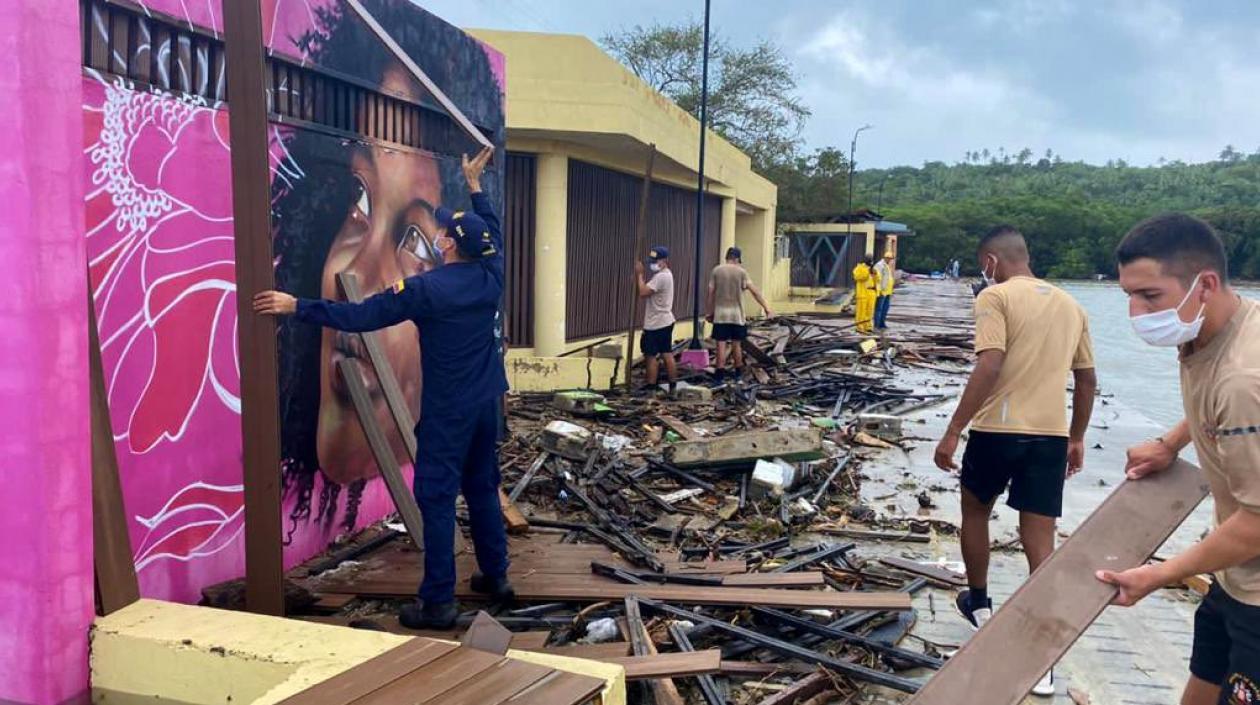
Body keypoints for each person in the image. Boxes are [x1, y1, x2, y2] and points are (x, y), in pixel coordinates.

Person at [254, 147, 513, 630]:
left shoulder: (428, 291)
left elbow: (361, 315)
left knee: (436, 500)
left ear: (450, 247)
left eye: (438, 232)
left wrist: (297, 306)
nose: (437, 235)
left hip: (449, 411)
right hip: (484, 406)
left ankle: (437, 603)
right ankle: (496, 577)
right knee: (481, 488)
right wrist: (475, 187)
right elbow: (491, 232)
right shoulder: (490, 275)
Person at [1096, 214, 1260, 705]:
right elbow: (1210, 404)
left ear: (1204, 284)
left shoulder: (1245, 379)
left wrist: (1158, 574)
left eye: (1150, 297)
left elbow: (1256, 523)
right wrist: (1171, 443)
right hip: (1236, 574)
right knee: (1202, 685)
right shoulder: (1213, 329)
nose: (1136, 312)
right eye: (1128, 295)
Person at [933, 225, 1096, 698]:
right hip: (1049, 436)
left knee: (975, 511)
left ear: (990, 261)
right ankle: (1039, 653)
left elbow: (989, 364)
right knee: (1039, 536)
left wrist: (951, 430)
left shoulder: (994, 298)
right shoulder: (1072, 306)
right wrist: (1077, 437)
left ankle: (979, 605)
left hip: (996, 431)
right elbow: (1086, 381)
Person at [705, 246, 773, 382]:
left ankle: (719, 376)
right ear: (737, 259)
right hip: (737, 316)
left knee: (720, 345)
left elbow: (711, 293)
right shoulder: (742, 272)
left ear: (727, 258)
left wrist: (709, 312)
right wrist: (767, 308)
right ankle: (738, 374)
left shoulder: (717, 271)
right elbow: (755, 292)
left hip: (721, 315)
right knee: (736, 345)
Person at [634, 246, 678, 394]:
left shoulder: (661, 277)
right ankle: (672, 385)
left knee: (651, 354)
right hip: (665, 320)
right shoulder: (666, 275)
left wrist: (639, 275)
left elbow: (643, 292)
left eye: (655, 261)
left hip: (656, 323)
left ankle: (652, 385)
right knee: (666, 352)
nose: (653, 264)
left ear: (664, 260)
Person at [852, 254, 879, 334]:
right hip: (863, 292)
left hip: (871, 292)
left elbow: (878, 280)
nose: (870, 261)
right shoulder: (859, 268)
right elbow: (858, 277)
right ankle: (860, 327)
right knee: (861, 311)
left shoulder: (872, 269)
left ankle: (868, 326)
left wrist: (875, 273)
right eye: (869, 259)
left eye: (871, 260)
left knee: (869, 311)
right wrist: (867, 272)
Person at [873, 250, 896, 330]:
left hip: (888, 291)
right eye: (889, 258)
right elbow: (877, 278)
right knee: (879, 308)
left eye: (890, 259)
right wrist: (880, 289)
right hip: (882, 291)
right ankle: (877, 324)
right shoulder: (879, 265)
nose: (890, 260)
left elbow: (887, 278)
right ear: (885, 258)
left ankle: (882, 323)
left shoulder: (886, 265)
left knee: (885, 308)